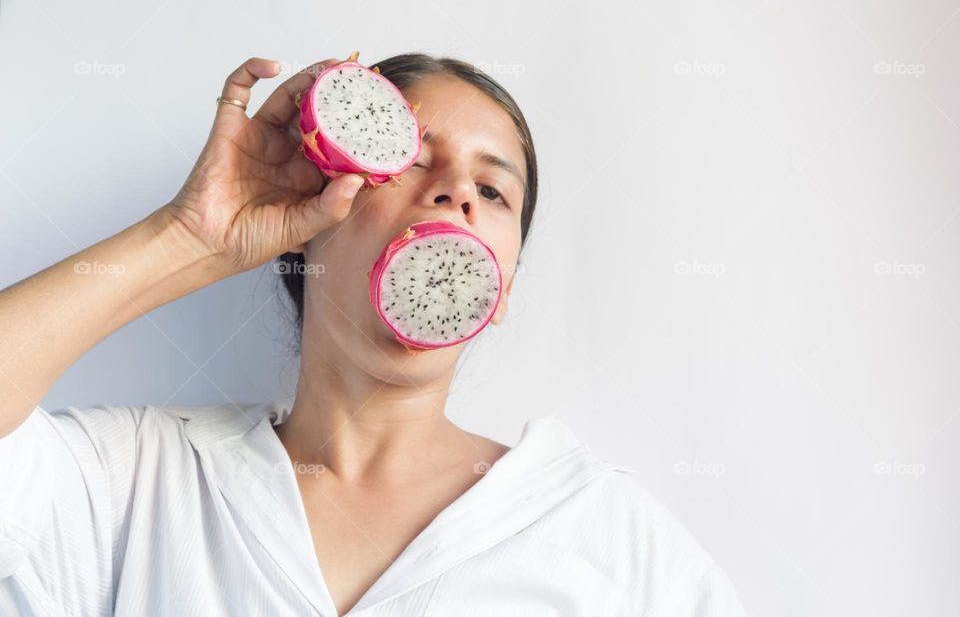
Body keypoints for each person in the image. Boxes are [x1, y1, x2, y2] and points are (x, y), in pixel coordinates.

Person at [0, 53, 747, 616]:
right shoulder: (137, 484)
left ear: (504, 286)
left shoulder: (603, 530)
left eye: (492, 191)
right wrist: (191, 238)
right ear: (312, 207)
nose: (455, 190)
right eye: (410, 160)